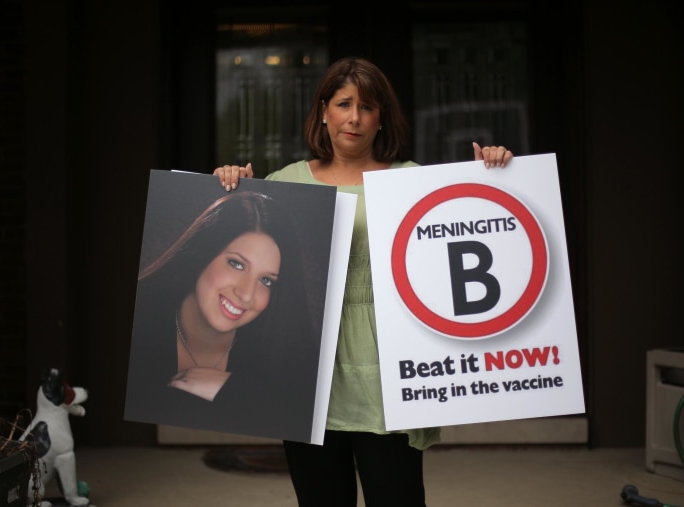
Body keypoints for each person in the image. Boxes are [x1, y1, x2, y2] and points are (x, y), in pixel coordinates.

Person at [214, 56, 513, 506]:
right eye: (343, 103)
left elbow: (473, 242)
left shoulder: (413, 181)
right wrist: (232, 185)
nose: (354, 117)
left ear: (381, 119)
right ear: (323, 112)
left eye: (367, 107)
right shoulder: (284, 184)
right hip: (307, 374)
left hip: (393, 373)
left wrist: (492, 173)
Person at [125, 188, 326, 443]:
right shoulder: (140, 311)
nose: (245, 294)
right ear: (204, 253)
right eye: (236, 264)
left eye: (266, 280)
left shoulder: (278, 341)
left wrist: (231, 388)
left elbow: (305, 409)